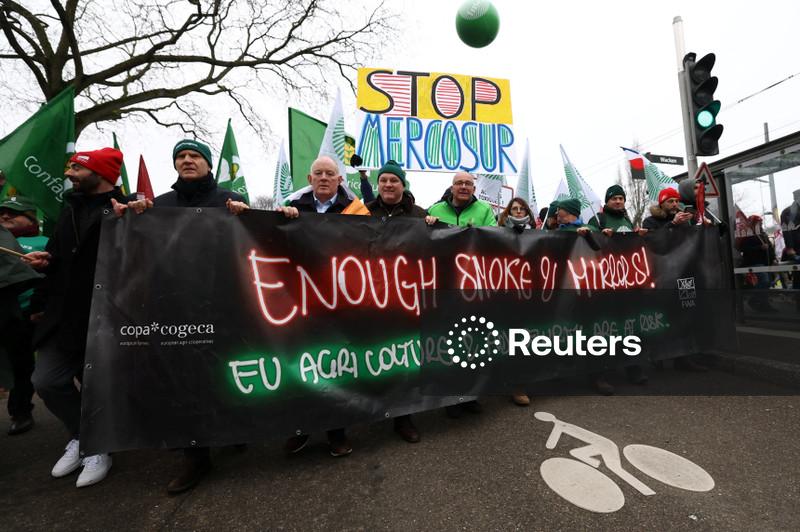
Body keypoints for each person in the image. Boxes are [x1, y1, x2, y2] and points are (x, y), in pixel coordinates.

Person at [118, 139, 246, 495]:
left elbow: (250, 243)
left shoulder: (229, 201)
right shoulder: (159, 205)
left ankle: (235, 430)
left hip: (224, 304)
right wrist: (130, 216)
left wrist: (247, 217)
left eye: (195, 156)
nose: (188, 160)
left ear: (208, 164)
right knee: (184, 379)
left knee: (225, 373)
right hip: (176, 308)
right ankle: (195, 455)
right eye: (181, 156)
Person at [26, 147, 127, 488]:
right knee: (47, 381)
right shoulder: (68, 210)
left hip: (105, 317)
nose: (69, 174)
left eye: (77, 169)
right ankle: (82, 435)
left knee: (99, 384)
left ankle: (99, 447)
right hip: (62, 316)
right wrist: (45, 268)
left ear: (101, 174)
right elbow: (55, 258)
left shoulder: (125, 210)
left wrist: (135, 216)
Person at [270, 156, 367, 457]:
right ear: (310, 179)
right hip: (301, 300)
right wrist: (282, 220)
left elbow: (368, 245)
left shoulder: (357, 209)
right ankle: (301, 428)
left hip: (340, 299)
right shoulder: (292, 205)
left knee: (337, 367)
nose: (324, 178)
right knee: (302, 364)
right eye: (319, 173)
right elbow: (273, 242)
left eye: (330, 173)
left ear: (340, 180)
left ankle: (336, 432)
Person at [364, 160, 432, 442]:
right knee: (373, 354)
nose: (388, 184)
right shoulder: (363, 211)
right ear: (378, 184)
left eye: (394, 180)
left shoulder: (419, 214)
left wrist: (433, 227)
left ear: (403, 185)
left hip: (406, 296)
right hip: (370, 295)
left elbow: (434, 246)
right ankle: (371, 409)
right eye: (384, 180)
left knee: (403, 357)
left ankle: (403, 417)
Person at [0, 197, 47, 435]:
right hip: (11, 317)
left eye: (13, 212)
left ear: (31, 218)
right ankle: (20, 412)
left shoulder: (45, 242)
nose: (5, 216)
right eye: (2, 212)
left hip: (43, 314)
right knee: (20, 365)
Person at [427, 172, 497, 227]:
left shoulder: (485, 209)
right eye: (459, 183)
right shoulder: (434, 210)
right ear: (452, 189)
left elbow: (492, 236)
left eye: (468, 184)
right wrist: (428, 223)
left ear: (474, 190)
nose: (463, 187)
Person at [780, 189, 800, 290]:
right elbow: (786, 231)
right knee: (798, 275)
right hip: (796, 248)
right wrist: (790, 248)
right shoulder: (788, 212)